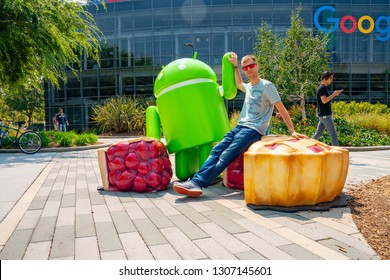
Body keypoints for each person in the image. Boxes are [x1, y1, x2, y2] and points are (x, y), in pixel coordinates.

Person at [173, 53, 308, 197]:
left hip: (253, 130)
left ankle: (197, 183)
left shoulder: (267, 86)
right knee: (216, 150)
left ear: (257, 66)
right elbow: (238, 84)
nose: (249, 69)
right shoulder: (249, 87)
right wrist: (235, 66)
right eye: (245, 67)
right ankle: (196, 182)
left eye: (251, 66)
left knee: (226, 155)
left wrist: (292, 131)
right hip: (239, 127)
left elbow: (281, 108)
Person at [312, 71, 343, 146]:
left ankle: (307, 147)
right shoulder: (322, 88)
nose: (332, 80)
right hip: (325, 115)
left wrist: (334, 94)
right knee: (333, 134)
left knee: (318, 134)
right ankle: (337, 152)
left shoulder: (323, 88)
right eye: (330, 78)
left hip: (323, 115)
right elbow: (324, 100)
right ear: (325, 78)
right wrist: (334, 94)